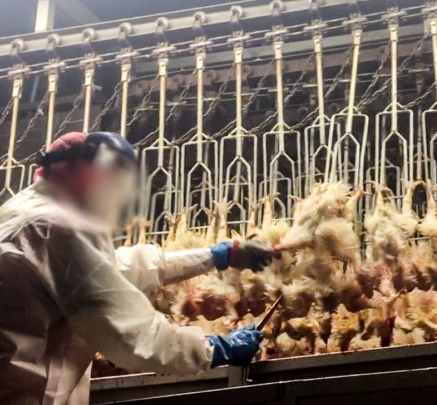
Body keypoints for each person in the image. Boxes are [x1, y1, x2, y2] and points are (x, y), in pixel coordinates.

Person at [0, 131, 277, 404]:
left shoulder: (23, 215)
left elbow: (116, 269)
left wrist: (219, 256)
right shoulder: (59, 225)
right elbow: (135, 336)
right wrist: (215, 349)